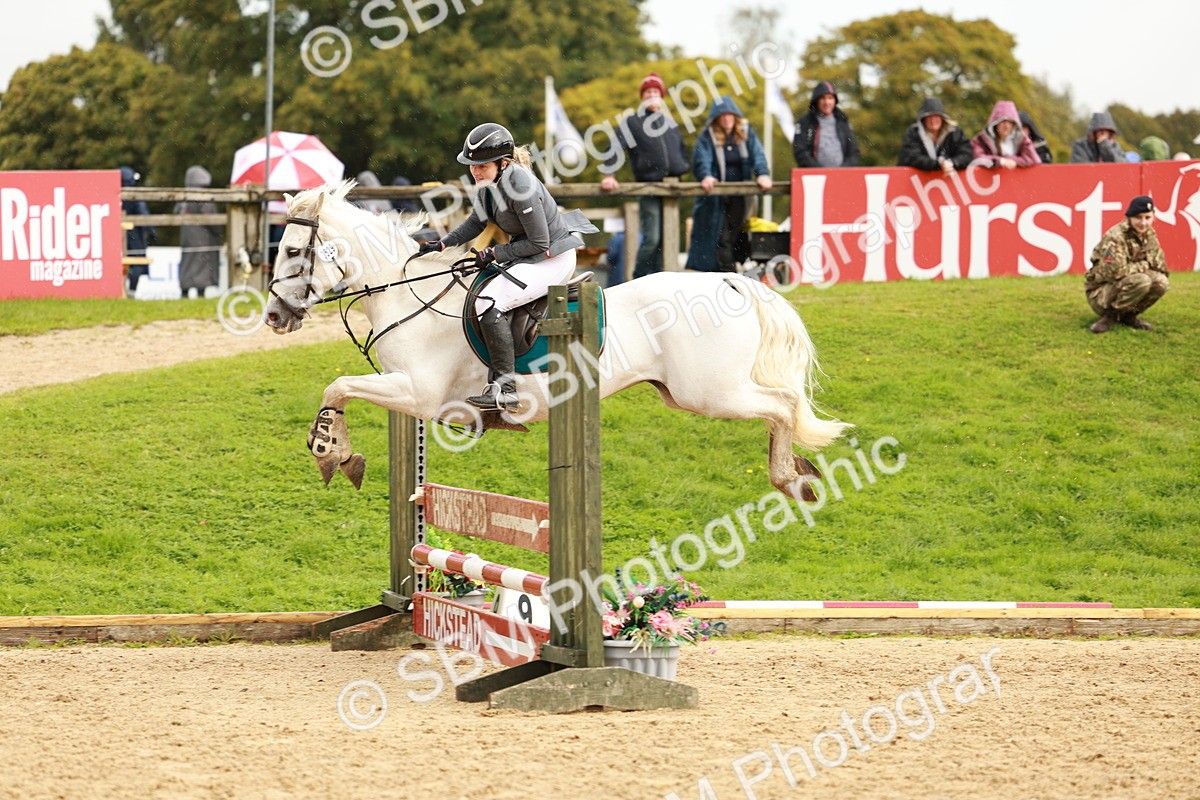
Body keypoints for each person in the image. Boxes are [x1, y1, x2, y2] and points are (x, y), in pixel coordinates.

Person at [416, 123, 597, 410]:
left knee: (488, 303)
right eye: (472, 165)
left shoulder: (520, 185)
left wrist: (495, 252)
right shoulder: (490, 185)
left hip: (553, 257)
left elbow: (539, 243)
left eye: (482, 165)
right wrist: (442, 244)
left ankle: (506, 387)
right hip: (529, 254)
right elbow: (476, 222)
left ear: (502, 163)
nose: (475, 171)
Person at [600, 72, 691, 279]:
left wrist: (682, 167)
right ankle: (640, 279)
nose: (652, 95)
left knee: (669, 240)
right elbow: (615, 147)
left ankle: (661, 281)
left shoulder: (671, 124)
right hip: (648, 187)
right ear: (642, 96)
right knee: (652, 238)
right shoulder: (633, 122)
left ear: (661, 96)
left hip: (672, 189)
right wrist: (609, 173)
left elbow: (681, 151)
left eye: (656, 92)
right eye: (648, 92)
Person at [685, 95, 771, 272]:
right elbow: (702, 159)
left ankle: (729, 273)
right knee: (719, 236)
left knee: (735, 235)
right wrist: (706, 175)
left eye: (730, 115)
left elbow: (758, 155)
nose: (726, 119)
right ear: (716, 118)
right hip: (716, 197)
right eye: (722, 116)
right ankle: (730, 277)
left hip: (740, 196)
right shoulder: (707, 137)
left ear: (735, 116)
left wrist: (762, 174)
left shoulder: (746, 133)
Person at [1085, 195, 1170, 333]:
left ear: (1153, 217)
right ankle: (1110, 317)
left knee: (1161, 282)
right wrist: (1142, 266)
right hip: (1101, 294)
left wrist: (1158, 274)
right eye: (1138, 217)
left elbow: (1159, 265)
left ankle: (1129, 315)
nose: (1143, 223)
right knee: (1142, 280)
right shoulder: (1116, 237)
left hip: (1125, 285)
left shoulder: (1149, 234)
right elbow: (1115, 272)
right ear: (1129, 217)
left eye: (1147, 218)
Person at [175, 165, 223, 298]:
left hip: (187, 238)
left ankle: (184, 292)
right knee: (202, 266)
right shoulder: (203, 196)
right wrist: (218, 231)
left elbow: (175, 212)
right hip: (203, 238)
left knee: (187, 264)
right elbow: (211, 218)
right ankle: (200, 294)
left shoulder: (184, 195)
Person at [793, 81, 861, 168]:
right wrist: (820, 171)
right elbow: (800, 151)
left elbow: (854, 152)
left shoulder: (842, 121)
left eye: (830, 98)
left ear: (835, 101)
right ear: (816, 100)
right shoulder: (805, 122)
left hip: (841, 177)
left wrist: (842, 170)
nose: (827, 102)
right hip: (814, 178)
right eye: (823, 98)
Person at [896, 97, 973, 174]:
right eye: (929, 116)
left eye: (936, 116)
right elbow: (911, 158)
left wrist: (952, 163)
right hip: (914, 181)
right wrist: (938, 164)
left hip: (949, 183)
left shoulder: (955, 133)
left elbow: (967, 155)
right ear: (924, 119)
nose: (933, 120)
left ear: (942, 118)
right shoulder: (914, 133)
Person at [971, 101, 1041, 169]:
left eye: (1010, 122)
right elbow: (978, 158)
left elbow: (1033, 159)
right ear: (996, 123)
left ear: (1014, 124)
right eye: (1003, 121)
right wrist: (1001, 162)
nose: (1006, 125)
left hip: (1014, 179)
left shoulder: (1022, 139)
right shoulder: (981, 140)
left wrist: (1013, 161)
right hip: (988, 179)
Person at [120, 166, 156, 293]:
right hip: (135, 236)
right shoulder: (134, 194)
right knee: (138, 264)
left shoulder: (113, 193)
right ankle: (131, 291)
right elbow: (143, 214)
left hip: (116, 236)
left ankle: (123, 291)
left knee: (122, 263)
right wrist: (152, 231)